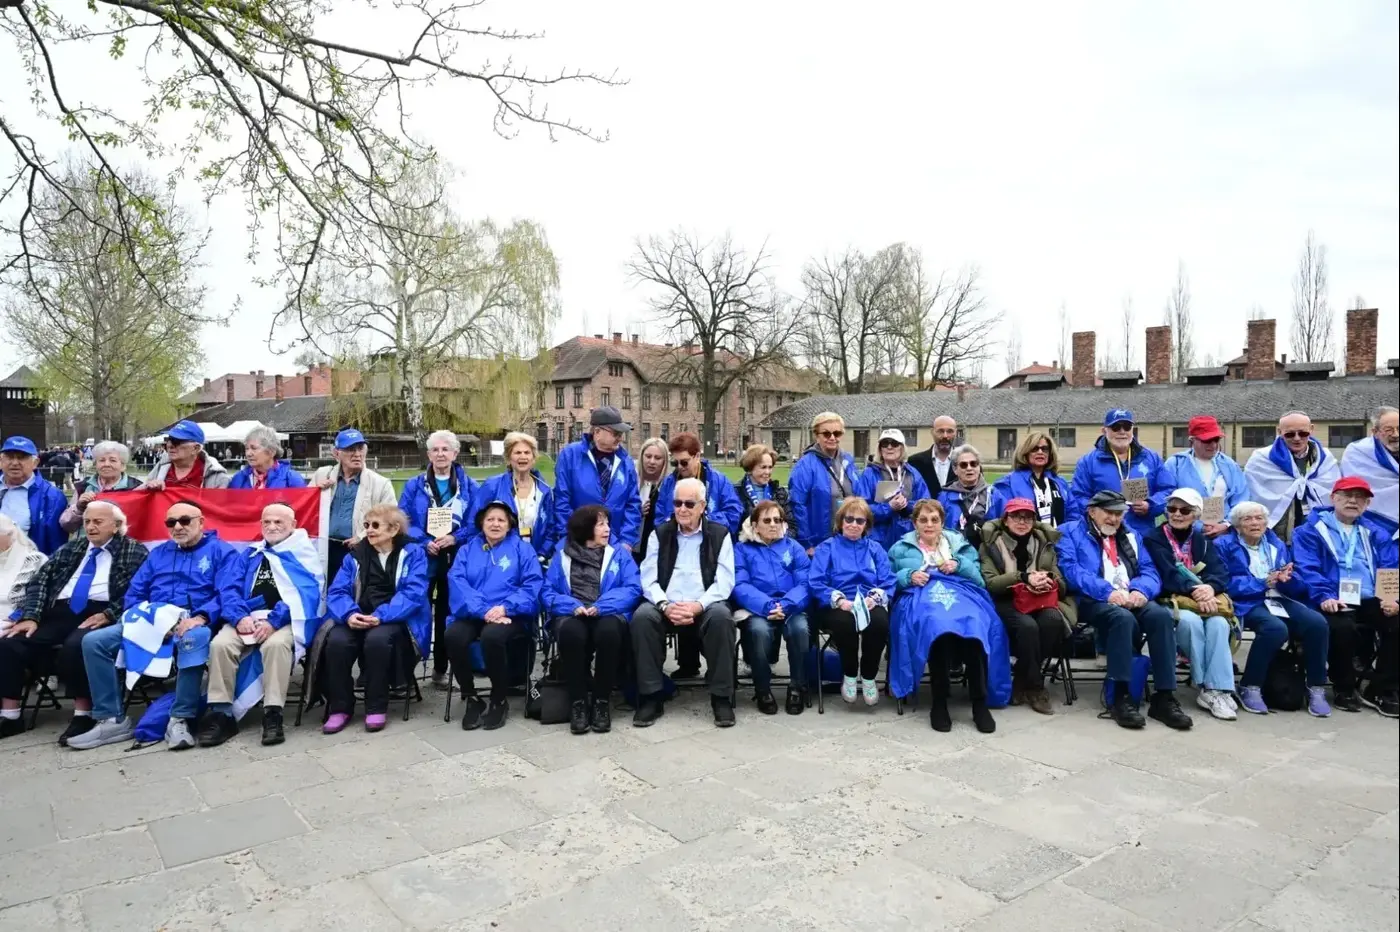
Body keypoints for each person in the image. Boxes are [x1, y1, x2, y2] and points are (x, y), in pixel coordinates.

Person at [70, 500, 241, 750]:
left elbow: (227, 593)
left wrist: (201, 617)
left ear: (201, 522)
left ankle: (180, 717)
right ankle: (110, 718)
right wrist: (143, 618)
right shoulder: (159, 554)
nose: (178, 527)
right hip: (150, 620)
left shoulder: (223, 553)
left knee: (194, 638)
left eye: (185, 520)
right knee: (94, 642)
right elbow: (135, 592)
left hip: (193, 620)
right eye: (171, 522)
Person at [0, 504, 147, 742]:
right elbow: (40, 582)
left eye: (98, 521)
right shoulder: (72, 548)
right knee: (11, 642)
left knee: (78, 645)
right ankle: (11, 715)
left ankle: (83, 713)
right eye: (87, 521)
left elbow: (137, 592)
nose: (90, 526)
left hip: (100, 610)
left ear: (117, 525)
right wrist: (31, 616)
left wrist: (110, 614)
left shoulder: (133, 551)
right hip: (60, 610)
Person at [1057, 490, 1193, 730]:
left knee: (1161, 616)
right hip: (1092, 599)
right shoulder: (1070, 533)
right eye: (1108, 513)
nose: (1114, 519)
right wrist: (1107, 592)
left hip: (1130, 595)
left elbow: (1149, 570)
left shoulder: (1131, 535)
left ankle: (1164, 696)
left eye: (1119, 514)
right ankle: (1120, 696)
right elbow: (1071, 570)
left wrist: (1141, 591)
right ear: (1092, 512)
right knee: (1121, 618)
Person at [197, 503, 325, 748]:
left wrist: (273, 621)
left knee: (276, 646)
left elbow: (305, 595)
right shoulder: (250, 553)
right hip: (246, 617)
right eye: (267, 522)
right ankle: (221, 713)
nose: (272, 526)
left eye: (279, 522)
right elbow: (229, 588)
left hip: (285, 620)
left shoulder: (303, 554)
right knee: (221, 644)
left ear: (293, 526)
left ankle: (272, 713)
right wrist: (239, 617)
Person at [889, 499, 1007, 732]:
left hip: (961, 594)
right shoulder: (900, 548)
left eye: (934, 520)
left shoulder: (959, 545)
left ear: (943, 523)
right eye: (923, 520)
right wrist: (908, 575)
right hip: (922, 597)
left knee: (974, 627)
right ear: (915, 523)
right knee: (937, 627)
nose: (929, 524)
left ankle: (979, 703)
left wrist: (959, 563)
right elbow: (886, 580)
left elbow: (979, 579)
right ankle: (939, 702)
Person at [633, 477, 738, 728]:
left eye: (689, 504)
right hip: (666, 604)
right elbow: (648, 578)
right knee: (642, 618)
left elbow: (724, 581)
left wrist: (698, 605)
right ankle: (651, 695)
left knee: (722, 618)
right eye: (677, 503)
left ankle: (721, 696)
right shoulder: (660, 534)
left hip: (705, 604)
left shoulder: (719, 534)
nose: (682, 509)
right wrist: (664, 605)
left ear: (703, 506)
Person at [1292, 477, 1400, 717]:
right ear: (1333, 498)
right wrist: (1324, 596)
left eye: (1360, 497)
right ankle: (1344, 687)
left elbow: (1389, 566)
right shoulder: (1309, 531)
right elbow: (1307, 568)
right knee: (1342, 627)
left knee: (1397, 623)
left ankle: (1382, 689)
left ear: (1368, 503)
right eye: (1347, 495)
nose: (1353, 500)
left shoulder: (1376, 532)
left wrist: (1392, 597)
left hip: (1370, 597)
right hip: (1331, 595)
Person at [322, 504, 430, 734]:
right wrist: (349, 614)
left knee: (377, 641)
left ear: (393, 529)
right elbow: (337, 592)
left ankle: (376, 706)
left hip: (397, 618)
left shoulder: (413, 553)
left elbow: (413, 593)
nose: (369, 530)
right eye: (366, 525)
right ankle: (340, 707)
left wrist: (380, 616)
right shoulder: (355, 556)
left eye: (375, 525)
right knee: (337, 642)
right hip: (357, 614)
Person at [1216, 501, 1331, 717]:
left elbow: (1295, 582)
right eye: (1247, 519)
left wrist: (1287, 579)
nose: (1255, 523)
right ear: (1237, 525)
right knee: (1275, 629)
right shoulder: (1223, 545)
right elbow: (1225, 583)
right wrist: (1263, 582)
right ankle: (1250, 685)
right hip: (1247, 601)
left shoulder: (1275, 543)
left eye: (1259, 518)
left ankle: (1316, 687)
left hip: (1279, 598)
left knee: (1317, 623)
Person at [542, 504, 642, 734]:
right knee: (571, 633)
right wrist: (572, 606)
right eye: (601, 525)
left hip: (606, 611)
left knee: (608, 633)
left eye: (607, 523)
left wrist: (600, 607)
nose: (607, 529)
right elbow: (547, 592)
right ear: (586, 529)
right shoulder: (562, 556)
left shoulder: (618, 554)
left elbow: (633, 588)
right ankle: (578, 702)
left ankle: (601, 701)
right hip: (572, 612)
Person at [445, 501, 544, 731]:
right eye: (490, 519)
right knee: (453, 636)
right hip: (474, 613)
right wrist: (483, 611)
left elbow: (532, 585)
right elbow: (457, 582)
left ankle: (499, 698)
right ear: (482, 523)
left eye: (501, 520)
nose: (495, 524)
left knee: (492, 637)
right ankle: (471, 697)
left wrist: (505, 608)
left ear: (510, 524)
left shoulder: (523, 549)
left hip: (511, 615)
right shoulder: (467, 550)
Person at [1143, 488, 1239, 721]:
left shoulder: (1201, 540)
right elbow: (1166, 575)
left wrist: (1210, 589)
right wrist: (1196, 591)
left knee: (1219, 623)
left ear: (1195, 515)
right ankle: (1209, 686)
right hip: (1172, 599)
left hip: (1202, 599)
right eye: (1172, 509)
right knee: (1190, 623)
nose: (1177, 514)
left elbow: (1220, 572)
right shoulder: (1153, 538)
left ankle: (1216, 688)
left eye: (1184, 510)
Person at [401, 429, 481, 689]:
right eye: (435, 449)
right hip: (423, 556)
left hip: (456, 557)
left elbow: (476, 523)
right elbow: (403, 521)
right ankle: (407, 668)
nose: (440, 454)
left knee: (447, 612)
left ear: (455, 453)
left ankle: (440, 670)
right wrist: (424, 541)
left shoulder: (469, 486)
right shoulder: (415, 485)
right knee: (416, 608)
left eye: (445, 449)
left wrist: (455, 538)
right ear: (428, 454)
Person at [979, 497, 1072, 714]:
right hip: (1005, 600)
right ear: (1005, 519)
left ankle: (1022, 677)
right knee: (1027, 626)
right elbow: (991, 583)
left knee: (1054, 619)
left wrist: (1048, 578)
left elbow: (1061, 582)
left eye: (1028, 517)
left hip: (1040, 598)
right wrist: (1022, 577)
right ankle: (1036, 687)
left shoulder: (1044, 543)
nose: (1022, 522)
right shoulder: (991, 544)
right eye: (1016, 516)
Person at [808, 497, 895, 708]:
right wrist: (839, 600)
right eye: (849, 519)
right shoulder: (826, 548)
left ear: (867, 525)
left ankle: (868, 676)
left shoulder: (875, 548)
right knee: (845, 623)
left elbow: (888, 580)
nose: (854, 524)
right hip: (838, 602)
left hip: (868, 600)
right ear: (840, 521)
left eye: (860, 521)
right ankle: (848, 673)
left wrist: (875, 598)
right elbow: (816, 581)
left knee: (880, 623)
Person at [732, 499, 812, 715]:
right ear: (755, 525)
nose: (773, 524)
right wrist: (767, 606)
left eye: (778, 520)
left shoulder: (794, 548)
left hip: (790, 607)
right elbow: (740, 584)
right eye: (766, 520)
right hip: (757, 607)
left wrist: (785, 605)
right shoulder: (742, 549)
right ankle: (762, 689)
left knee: (800, 630)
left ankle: (797, 687)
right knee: (758, 631)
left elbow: (805, 583)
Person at [1068, 409, 1173, 539]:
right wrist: (1101, 513)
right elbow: (1078, 496)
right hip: (1104, 533)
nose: (1122, 432)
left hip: (1143, 534)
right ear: (1104, 430)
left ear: (1132, 430)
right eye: (1116, 427)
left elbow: (1168, 490)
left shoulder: (1151, 458)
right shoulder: (1088, 462)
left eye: (1127, 427)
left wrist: (1150, 505)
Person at [551, 406, 643, 552]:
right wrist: (569, 537)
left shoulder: (626, 461)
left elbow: (633, 504)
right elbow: (562, 500)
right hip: (579, 542)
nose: (620, 437)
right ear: (597, 432)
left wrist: (627, 541)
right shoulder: (571, 456)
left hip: (616, 544)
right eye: (615, 433)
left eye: (621, 433)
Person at [1244, 411, 1341, 544]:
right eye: (1289, 434)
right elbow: (1252, 496)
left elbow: (1335, 492)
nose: (1297, 438)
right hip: (1277, 533)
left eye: (1303, 433)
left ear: (1311, 429)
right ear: (1279, 431)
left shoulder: (1325, 458)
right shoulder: (1261, 459)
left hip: (1316, 529)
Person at [314, 428, 397, 585]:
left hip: (360, 548)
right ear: (336, 453)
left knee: (355, 592)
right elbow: (306, 510)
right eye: (350, 449)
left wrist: (363, 537)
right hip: (324, 548)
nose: (357, 454)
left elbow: (390, 518)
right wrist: (315, 492)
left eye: (360, 448)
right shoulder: (322, 475)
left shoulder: (380, 483)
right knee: (324, 591)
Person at [473, 431, 555, 563]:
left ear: (533, 458)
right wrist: (484, 553)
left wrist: (543, 554)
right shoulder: (493, 485)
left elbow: (551, 527)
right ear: (508, 458)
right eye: (517, 453)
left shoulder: (545, 491)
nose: (523, 456)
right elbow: (475, 521)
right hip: (498, 561)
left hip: (534, 560)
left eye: (527, 453)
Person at [1163, 416, 1250, 538]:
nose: (1213, 445)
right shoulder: (1175, 464)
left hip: (1225, 534)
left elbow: (1241, 498)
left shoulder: (1229, 464)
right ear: (1192, 440)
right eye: (1207, 440)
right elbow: (1165, 498)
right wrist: (1198, 526)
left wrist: (1226, 525)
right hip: (1186, 534)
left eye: (1216, 440)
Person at [788, 412, 862, 555]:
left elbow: (859, 494)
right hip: (819, 542)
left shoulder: (847, 461)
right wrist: (806, 543)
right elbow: (798, 506)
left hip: (849, 536)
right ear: (817, 435)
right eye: (826, 434)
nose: (832, 437)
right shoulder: (805, 465)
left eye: (837, 433)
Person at [653, 432, 744, 535]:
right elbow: (659, 519)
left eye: (684, 462)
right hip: (676, 543)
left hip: (711, 542)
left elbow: (733, 514)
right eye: (675, 463)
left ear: (697, 456)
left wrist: (702, 523)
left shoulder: (719, 481)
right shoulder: (668, 484)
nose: (679, 467)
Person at [858, 429, 930, 550]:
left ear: (902, 448)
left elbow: (926, 504)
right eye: (885, 444)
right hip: (878, 539)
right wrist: (889, 507)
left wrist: (906, 505)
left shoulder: (912, 473)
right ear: (880, 449)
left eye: (894, 444)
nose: (889, 447)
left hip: (908, 538)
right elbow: (861, 508)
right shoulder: (869, 474)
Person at [0, 436, 69, 555]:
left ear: (35, 463)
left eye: (22, 458)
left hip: (28, 567)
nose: (15, 463)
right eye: (9, 457)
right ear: (1, 462)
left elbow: (56, 546)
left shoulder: (52, 497)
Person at [989, 431, 1071, 528]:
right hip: (1024, 540)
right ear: (1025, 452)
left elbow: (1073, 513)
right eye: (1035, 449)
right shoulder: (1008, 483)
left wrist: (1066, 537)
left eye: (1045, 449)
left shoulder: (1060, 483)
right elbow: (1000, 518)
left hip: (1059, 540)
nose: (1040, 452)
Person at [59, 440, 142, 533]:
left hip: (125, 545)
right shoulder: (83, 487)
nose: (106, 464)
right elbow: (66, 524)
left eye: (113, 460)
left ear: (123, 466)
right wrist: (78, 508)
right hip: (87, 545)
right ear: (96, 464)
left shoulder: (136, 488)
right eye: (102, 460)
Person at [1341, 406, 1398, 535]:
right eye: (1389, 430)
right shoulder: (1357, 452)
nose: (1396, 434)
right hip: (1373, 522)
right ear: (1375, 432)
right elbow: (1353, 487)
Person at [142, 420, 231, 490]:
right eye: (169, 439)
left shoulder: (217, 477)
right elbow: (138, 495)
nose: (170, 445)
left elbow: (218, 510)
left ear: (195, 448)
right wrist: (149, 488)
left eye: (177, 441)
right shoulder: (161, 467)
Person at [938, 443, 993, 550]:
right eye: (963, 465)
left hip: (984, 553)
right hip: (953, 553)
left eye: (973, 464)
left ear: (979, 467)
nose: (969, 468)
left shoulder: (993, 495)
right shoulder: (944, 496)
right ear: (955, 469)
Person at [1, 516, 46, 636]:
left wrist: (16, 617)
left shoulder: (35, 561)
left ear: (9, 535)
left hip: (15, 624)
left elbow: (42, 598)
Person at [228, 425, 308, 490]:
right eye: (246, 448)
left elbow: (303, 506)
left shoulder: (291, 479)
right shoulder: (239, 479)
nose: (248, 453)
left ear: (272, 451)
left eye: (254, 448)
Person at [734, 443, 793, 530]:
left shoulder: (780, 493)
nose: (767, 472)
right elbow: (734, 527)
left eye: (770, 467)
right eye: (763, 467)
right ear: (750, 469)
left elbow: (792, 526)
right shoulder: (736, 493)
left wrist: (777, 538)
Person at [909, 415, 959, 498]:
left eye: (950, 431)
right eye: (940, 431)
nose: (945, 436)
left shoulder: (967, 463)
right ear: (932, 432)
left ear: (956, 433)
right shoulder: (915, 462)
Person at [636, 437, 669, 557]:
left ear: (665, 461)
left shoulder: (668, 487)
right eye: (648, 456)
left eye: (658, 458)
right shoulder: (632, 483)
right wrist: (636, 512)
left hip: (658, 550)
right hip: (634, 547)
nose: (652, 461)